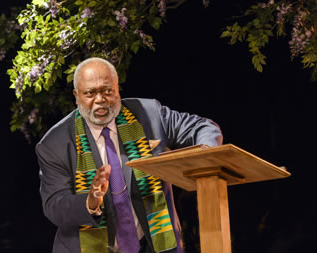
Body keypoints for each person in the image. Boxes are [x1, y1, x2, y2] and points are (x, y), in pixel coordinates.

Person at [36, 57, 223, 253]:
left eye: (107, 91)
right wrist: (89, 202)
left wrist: (205, 155)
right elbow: (54, 205)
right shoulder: (54, 143)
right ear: (76, 95)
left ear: (117, 88)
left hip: (155, 246)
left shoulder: (149, 114)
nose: (100, 100)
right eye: (90, 93)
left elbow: (203, 127)